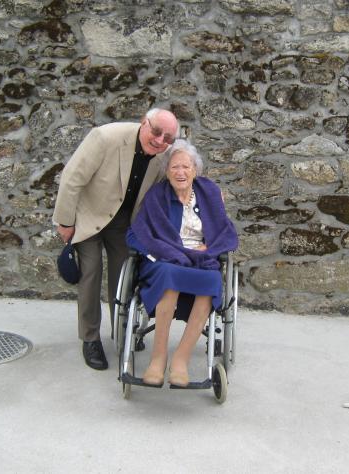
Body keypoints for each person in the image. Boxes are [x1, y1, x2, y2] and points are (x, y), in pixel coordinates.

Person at [53, 108, 180, 370]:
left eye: (168, 138)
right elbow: (72, 178)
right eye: (157, 132)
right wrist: (65, 222)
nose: (160, 141)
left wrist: (203, 192)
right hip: (89, 215)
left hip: (123, 221)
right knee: (90, 272)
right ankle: (90, 339)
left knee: (124, 277)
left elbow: (179, 178)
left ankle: (123, 332)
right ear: (144, 123)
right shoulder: (105, 137)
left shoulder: (164, 154)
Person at [126, 140, 238, 387]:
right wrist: (163, 252)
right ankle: (158, 359)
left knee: (212, 280)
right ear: (166, 171)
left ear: (195, 170)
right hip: (165, 259)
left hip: (201, 259)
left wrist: (210, 247)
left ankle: (180, 360)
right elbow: (137, 233)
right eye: (175, 167)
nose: (180, 172)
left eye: (186, 167)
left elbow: (225, 231)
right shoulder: (157, 196)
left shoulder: (209, 192)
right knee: (170, 275)